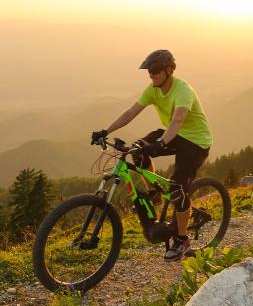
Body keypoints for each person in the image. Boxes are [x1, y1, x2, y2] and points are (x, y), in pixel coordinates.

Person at [91, 49, 212, 261]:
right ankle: (154, 192)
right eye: (149, 71)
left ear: (170, 70)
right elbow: (130, 113)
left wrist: (161, 143)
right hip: (174, 135)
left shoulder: (182, 90)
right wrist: (106, 131)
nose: (151, 75)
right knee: (138, 150)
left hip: (196, 141)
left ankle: (182, 240)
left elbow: (177, 120)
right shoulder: (153, 89)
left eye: (155, 71)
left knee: (178, 189)